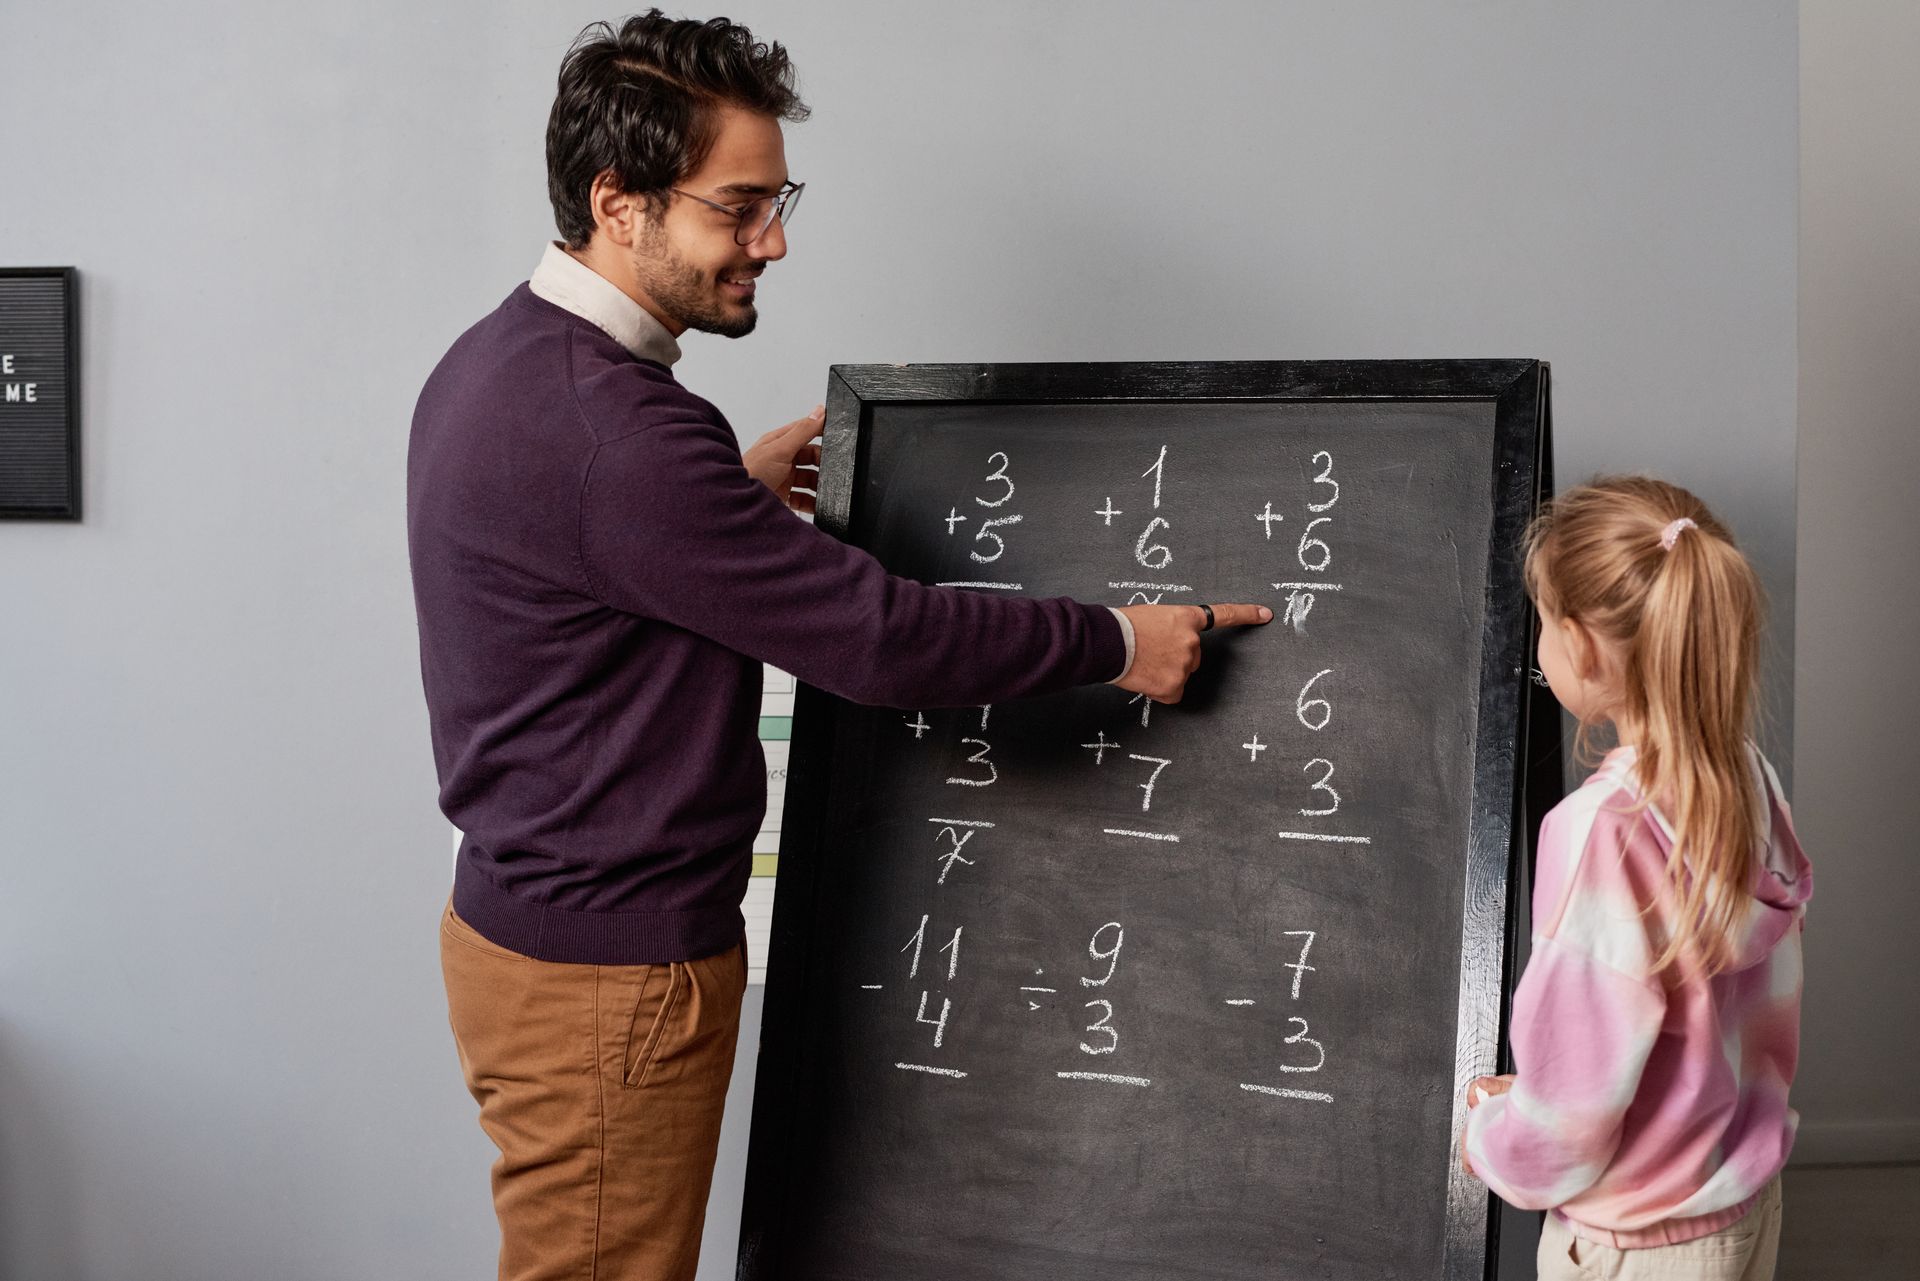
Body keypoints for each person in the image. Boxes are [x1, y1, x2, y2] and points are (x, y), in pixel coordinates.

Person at [406, 12, 1271, 1280]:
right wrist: (1114, 640)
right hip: (611, 976)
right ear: (620, 201)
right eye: (738, 206)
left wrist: (727, 505)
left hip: (520, 932)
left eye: (779, 198)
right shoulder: (627, 441)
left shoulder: (499, 360)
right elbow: (878, 639)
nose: (774, 239)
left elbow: (584, 591)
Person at [1460, 477, 1811, 1281]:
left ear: (1579, 648)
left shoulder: (1597, 832)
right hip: (1740, 1199)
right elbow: (1697, 1018)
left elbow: (1571, 1120)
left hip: (1636, 1246)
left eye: (1543, 620)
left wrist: (1494, 1133)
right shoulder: (1745, 778)